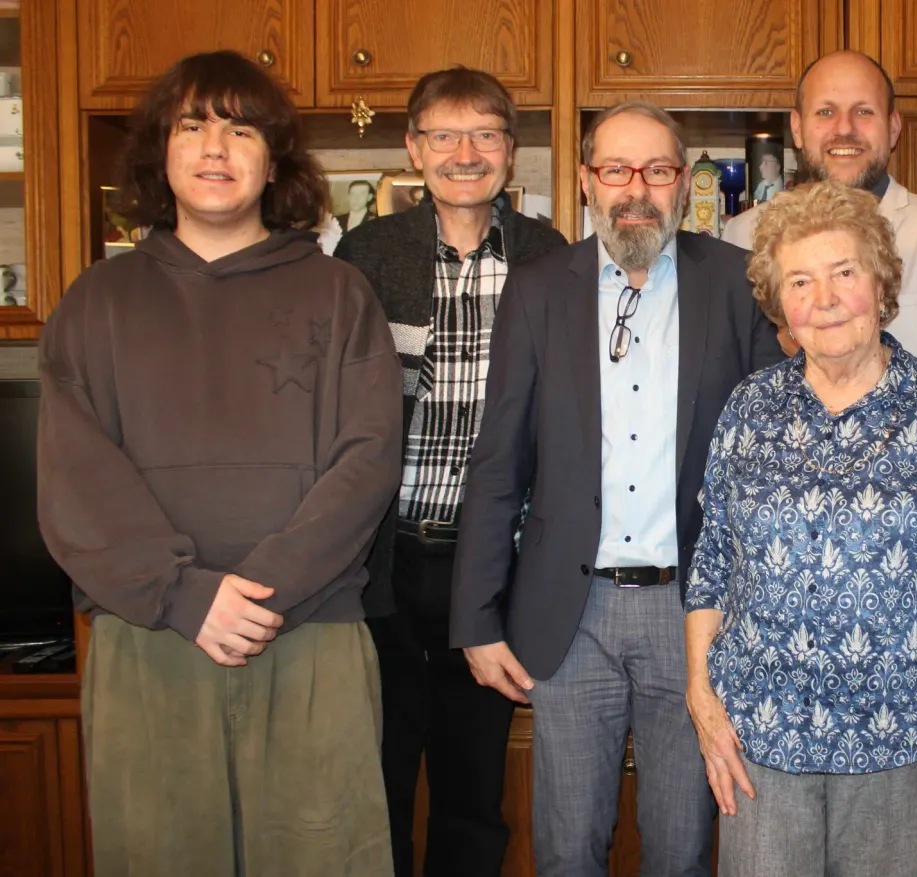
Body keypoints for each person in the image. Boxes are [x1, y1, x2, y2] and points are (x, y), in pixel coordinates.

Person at [36, 51, 401, 877]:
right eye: (192, 125)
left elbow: (369, 458)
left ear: (273, 160)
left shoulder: (340, 293)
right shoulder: (96, 302)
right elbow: (74, 480)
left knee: (325, 859)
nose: (215, 146)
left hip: (310, 634)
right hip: (149, 637)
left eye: (241, 129)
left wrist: (263, 591)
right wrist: (186, 594)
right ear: (158, 154)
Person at [450, 101, 784, 876]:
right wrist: (475, 618)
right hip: (569, 618)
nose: (637, 189)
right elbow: (498, 461)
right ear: (585, 181)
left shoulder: (737, 284)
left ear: (684, 180)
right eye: (616, 170)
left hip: (696, 614)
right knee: (566, 850)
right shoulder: (537, 292)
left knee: (682, 849)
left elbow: (775, 457)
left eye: (658, 170)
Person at [686, 179, 917, 877]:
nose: (826, 297)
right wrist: (700, 691)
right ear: (781, 305)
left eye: (845, 272)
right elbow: (713, 560)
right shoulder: (750, 409)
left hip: (898, 735)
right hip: (761, 734)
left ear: (880, 282)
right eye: (801, 281)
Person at [334, 67, 566, 877]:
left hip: (494, 567)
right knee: (379, 781)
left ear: (512, 151)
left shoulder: (550, 257)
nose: (465, 153)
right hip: (381, 564)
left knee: (473, 793)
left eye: (486, 135)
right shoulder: (366, 253)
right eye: (443, 135)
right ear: (412, 148)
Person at [723, 51, 917, 425]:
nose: (845, 128)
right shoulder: (743, 234)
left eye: (864, 111)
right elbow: (731, 389)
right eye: (825, 112)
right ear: (798, 129)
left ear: (894, 127)